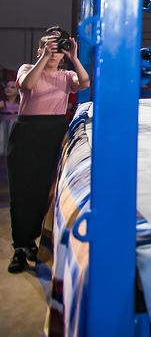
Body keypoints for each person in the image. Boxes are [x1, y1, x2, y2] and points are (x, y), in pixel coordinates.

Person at [8, 29, 90, 273]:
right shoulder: (27, 69)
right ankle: (20, 246)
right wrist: (44, 58)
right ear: (39, 51)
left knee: (45, 191)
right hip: (26, 133)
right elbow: (28, 84)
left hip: (53, 133)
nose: (54, 53)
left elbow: (85, 83)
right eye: (49, 48)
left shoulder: (66, 76)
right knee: (22, 191)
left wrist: (74, 57)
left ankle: (32, 242)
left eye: (58, 49)